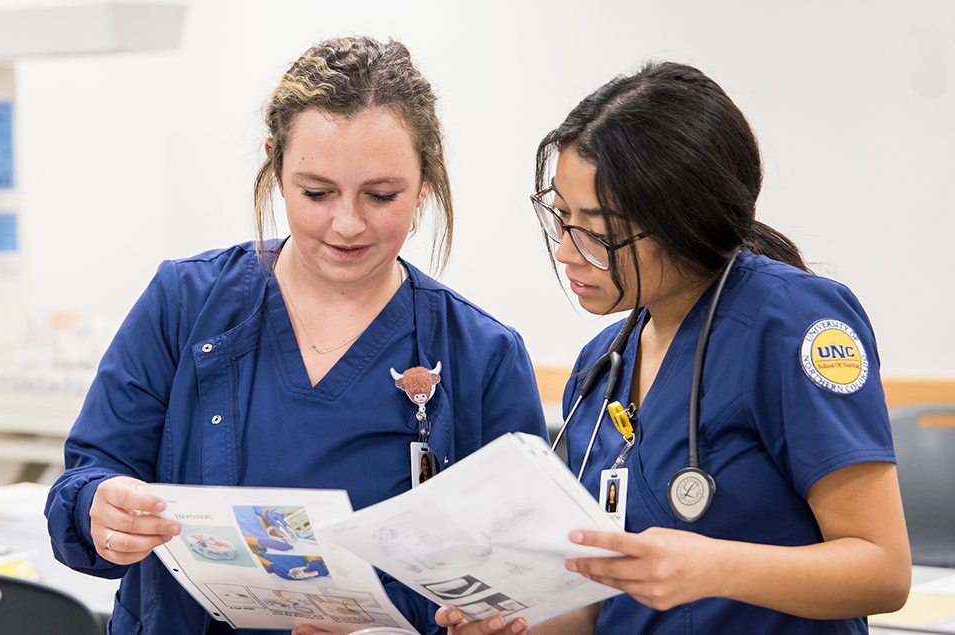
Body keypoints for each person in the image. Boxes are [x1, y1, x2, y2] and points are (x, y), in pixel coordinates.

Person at [45, 35, 549, 635]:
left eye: (381, 195)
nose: (347, 223)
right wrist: (98, 508)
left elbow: (525, 583)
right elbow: (84, 481)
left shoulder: (482, 357)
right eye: (316, 193)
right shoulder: (184, 306)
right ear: (275, 166)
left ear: (426, 179)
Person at [438, 61, 910, 635]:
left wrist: (714, 568)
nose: (565, 251)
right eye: (561, 217)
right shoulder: (599, 370)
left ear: (682, 219)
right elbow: (599, 603)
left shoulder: (791, 325)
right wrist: (511, 624)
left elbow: (883, 570)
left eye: (595, 227)